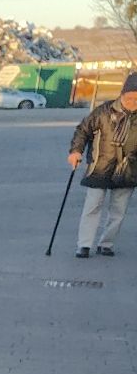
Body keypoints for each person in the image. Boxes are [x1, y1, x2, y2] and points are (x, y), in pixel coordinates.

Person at [67, 72, 137, 258]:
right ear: (122, 94)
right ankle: (84, 245)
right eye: (130, 97)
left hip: (128, 169)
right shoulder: (103, 111)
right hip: (100, 166)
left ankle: (107, 243)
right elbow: (83, 130)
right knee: (92, 206)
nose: (133, 102)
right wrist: (76, 151)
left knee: (118, 210)